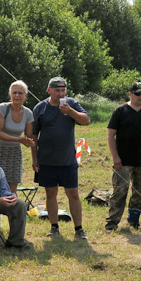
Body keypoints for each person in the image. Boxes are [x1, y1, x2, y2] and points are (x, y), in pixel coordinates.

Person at [31, 76, 91, 239]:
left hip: (67, 160)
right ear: (49, 90)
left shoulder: (70, 104)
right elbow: (33, 135)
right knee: (50, 193)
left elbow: (86, 121)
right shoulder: (40, 108)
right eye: (57, 90)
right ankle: (54, 227)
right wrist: (34, 158)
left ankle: (78, 229)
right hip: (46, 160)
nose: (60, 93)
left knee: (73, 193)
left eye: (63, 90)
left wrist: (70, 112)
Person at [105, 82, 141, 232]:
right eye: (138, 94)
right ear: (130, 94)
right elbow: (110, 135)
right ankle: (112, 223)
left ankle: (134, 221)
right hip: (123, 160)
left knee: (139, 192)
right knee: (120, 191)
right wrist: (115, 157)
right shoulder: (120, 111)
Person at [0, 80, 35, 187]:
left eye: (20, 93)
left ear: (25, 96)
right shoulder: (3, 108)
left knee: (12, 184)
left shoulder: (28, 113)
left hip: (15, 152)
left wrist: (28, 142)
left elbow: (28, 137)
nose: (17, 95)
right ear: (10, 94)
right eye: (14, 92)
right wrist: (18, 139)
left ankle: (12, 203)